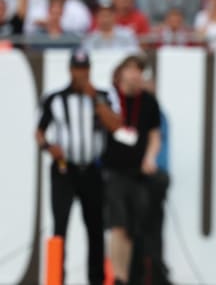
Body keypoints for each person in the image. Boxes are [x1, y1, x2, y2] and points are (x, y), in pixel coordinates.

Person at [35, 48, 122, 285]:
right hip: (64, 170)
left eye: (85, 69)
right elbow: (39, 133)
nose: (81, 74)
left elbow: (115, 126)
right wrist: (49, 147)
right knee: (60, 227)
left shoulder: (103, 96)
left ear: (90, 70)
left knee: (95, 229)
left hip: (92, 171)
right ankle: (57, 280)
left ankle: (96, 280)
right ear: (70, 69)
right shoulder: (55, 99)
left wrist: (94, 99)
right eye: (77, 69)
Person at [103, 55, 162, 285]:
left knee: (130, 228)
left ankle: (125, 277)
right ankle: (118, 276)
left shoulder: (148, 101)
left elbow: (154, 136)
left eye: (139, 70)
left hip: (137, 173)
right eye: (130, 70)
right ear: (120, 74)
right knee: (118, 225)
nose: (135, 74)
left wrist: (150, 157)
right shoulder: (110, 100)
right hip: (114, 170)